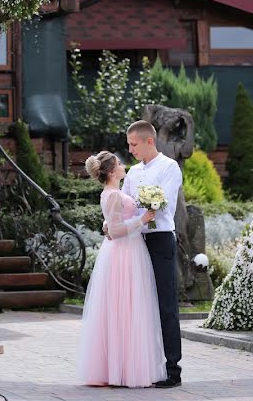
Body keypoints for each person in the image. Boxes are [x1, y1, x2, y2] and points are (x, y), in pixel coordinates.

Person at [76, 150, 167, 388]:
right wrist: (144, 219)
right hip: (124, 253)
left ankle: (120, 368)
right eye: (118, 163)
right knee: (125, 308)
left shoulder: (112, 193)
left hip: (126, 250)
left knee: (124, 309)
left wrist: (111, 224)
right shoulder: (114, 194)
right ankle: (123, 370)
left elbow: (110, 223)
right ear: (110, 171)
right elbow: (116, 231)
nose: (123, 165)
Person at [121, 120, 183, 388]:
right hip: (136, 241)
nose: (131, 149)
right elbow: (125, 205)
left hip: (160, 240)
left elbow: (163, 204)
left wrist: (140, 213)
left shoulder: (170, 167)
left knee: (165, 305)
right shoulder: (132, 172)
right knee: (138, 306)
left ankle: (172, 370)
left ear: (149, 141)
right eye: (128, 145)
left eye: (134, 144)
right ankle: (141, 367)